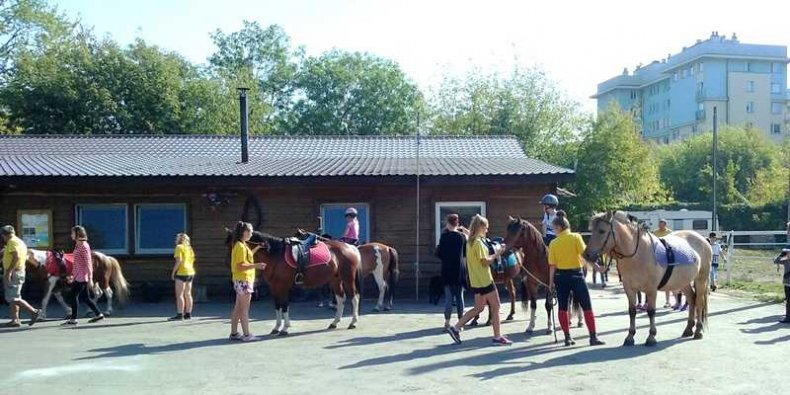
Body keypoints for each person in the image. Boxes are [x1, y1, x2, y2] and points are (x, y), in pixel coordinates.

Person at [446, 215, 512, 346]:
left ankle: (455, 328)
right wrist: (498, 252)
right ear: (481, 227)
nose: (487, 230)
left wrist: (464, 229)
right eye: (486, 227)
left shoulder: (471, 240)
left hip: (476, 280)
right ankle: (497, 337)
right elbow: (485, 261)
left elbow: (471, 233)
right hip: (485, 280)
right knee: (496, 306)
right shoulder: (478, 243)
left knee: (478, 307)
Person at [547, 211, 605, 346]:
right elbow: (586, 256)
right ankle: (593, 337)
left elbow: (552, 266)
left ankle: (567, 337)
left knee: (562, 308)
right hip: (577, 276)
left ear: (559, 228)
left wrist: (550, 285)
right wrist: (597, 268)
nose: (554, 231)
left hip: (561, 277)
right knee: (586, 306)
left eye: (554, 228)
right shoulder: (576, 237)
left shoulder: (553, 243)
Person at [229, 221, 267, 342]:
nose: (251, 233)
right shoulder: (240, 246)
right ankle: (247, 335)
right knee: (244, 310)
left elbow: (247, 256)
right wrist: (257, 265)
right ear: (243, 232)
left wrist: (257, 247)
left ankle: (234, 333)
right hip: (244, 280)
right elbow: (240, 265)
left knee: (238, 308)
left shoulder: (242, 244)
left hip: (241, 280)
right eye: (250, 231)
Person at [62, 226, 104, 326]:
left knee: (73, 296)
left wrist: (90, 278)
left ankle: (73, 319)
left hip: (82, 276)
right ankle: (99, 314)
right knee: (85, 297)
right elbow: (76, 262)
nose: (71, 235)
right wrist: (72, 275)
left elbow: (88, 262)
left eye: (72, 233)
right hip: (78, 275)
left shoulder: (84, 246)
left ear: (77, 233)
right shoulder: (78, 245)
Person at [1, 225, 40, 327]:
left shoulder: (12, 242)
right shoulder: (19, 241)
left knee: (14, 297)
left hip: (14, 272)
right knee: (13, 296)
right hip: (19, 271)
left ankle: (34, 311)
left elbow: (16, 256)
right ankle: (15, 319)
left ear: (4, 235)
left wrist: (9, 271)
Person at [436, 214, 467, 329]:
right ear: (457, 223)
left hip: (446, 271)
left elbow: (439, 253)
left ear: (447, 223)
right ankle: (461, 323)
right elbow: (465, 253)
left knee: (448, 299)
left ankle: (447, 322)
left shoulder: (444, 237)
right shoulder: (462, 237)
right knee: (460, 297)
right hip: (459, 270)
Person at [169, 233, 196, 321]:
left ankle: (180, 314)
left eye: (176, 238)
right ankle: (188, 313)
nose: (175, 240)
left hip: (181, 272)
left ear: (180, 239)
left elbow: (179, 261)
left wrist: (173, 272)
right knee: (188, 293)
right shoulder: (190, 248)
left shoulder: (179, 247)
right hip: (190, 271)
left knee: (179, 294)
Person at [772, 222, 790, 324]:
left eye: (788, 229)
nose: (787, 231)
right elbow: (777, 260)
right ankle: (788, 316)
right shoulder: (787, 247)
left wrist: (785, 258)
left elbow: (778, 260)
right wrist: (785, 258)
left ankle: (788, 317)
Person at [652, 220, 673, 308]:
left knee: (667, 279)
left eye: (661, 224)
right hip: (657, 256)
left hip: (666, 256)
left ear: (665, 225)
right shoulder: (655, 232)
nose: (660, 226)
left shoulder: (670, 233)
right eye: (659, 224)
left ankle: (668, 301)